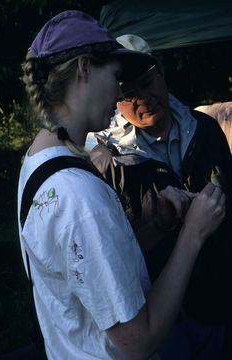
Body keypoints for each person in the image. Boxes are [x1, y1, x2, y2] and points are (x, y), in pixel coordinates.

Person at [18, 14, 226, 360]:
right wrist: (192, 233)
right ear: (84, 69)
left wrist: (159, 224)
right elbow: (138, 341)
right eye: (116, 78)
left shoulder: (37, 163)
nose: (120, 94)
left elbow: (91, 276)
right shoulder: (81, 196)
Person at [91, 34, 232, 359]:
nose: (143, 99)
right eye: (129, 94)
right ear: (114, 97)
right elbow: (114, 258)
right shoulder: (105, 162)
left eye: (148, 82)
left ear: (162, 71)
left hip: (222, 301)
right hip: (165, 322)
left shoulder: (205, 129)